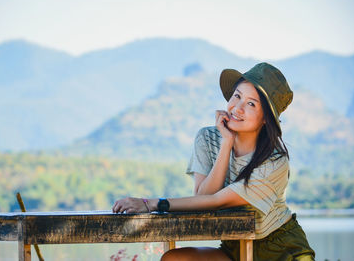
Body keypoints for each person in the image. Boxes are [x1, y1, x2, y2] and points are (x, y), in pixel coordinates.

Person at [112, 63, 315, 261]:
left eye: (251, 103)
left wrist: (151, 204)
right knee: (174, 258)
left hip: (282, 250)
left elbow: (217, 201)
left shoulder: (275, 161)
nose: (238, 107)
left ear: (265, 118)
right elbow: (204, 197)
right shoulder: (208, 138)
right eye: (237, 96)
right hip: (235, 247)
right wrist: (226, 143)